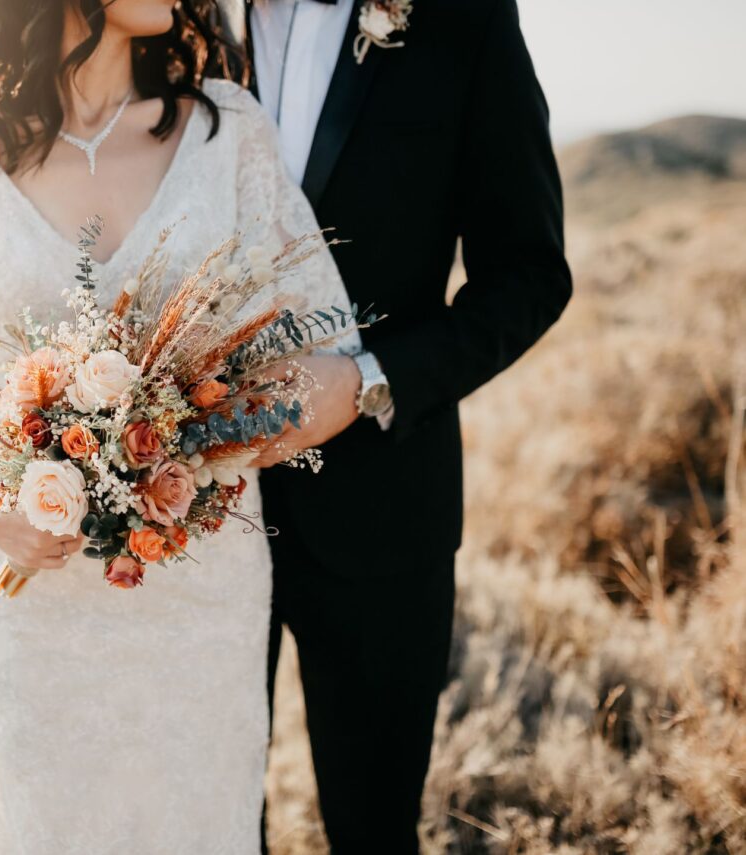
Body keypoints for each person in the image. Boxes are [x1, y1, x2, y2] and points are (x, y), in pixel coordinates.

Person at [0, 1, 356, 852]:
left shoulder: (225, 131)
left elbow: (326, 345)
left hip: (203, 596)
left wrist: (197, 434)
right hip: (35, 598)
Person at [232, 0, 573, 851]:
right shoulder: (174, 23)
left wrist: (368, 383)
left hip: (382, 515)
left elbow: (528, 275)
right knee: (207, 820)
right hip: (198, 521)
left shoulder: (465, 19)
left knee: (374, 827)